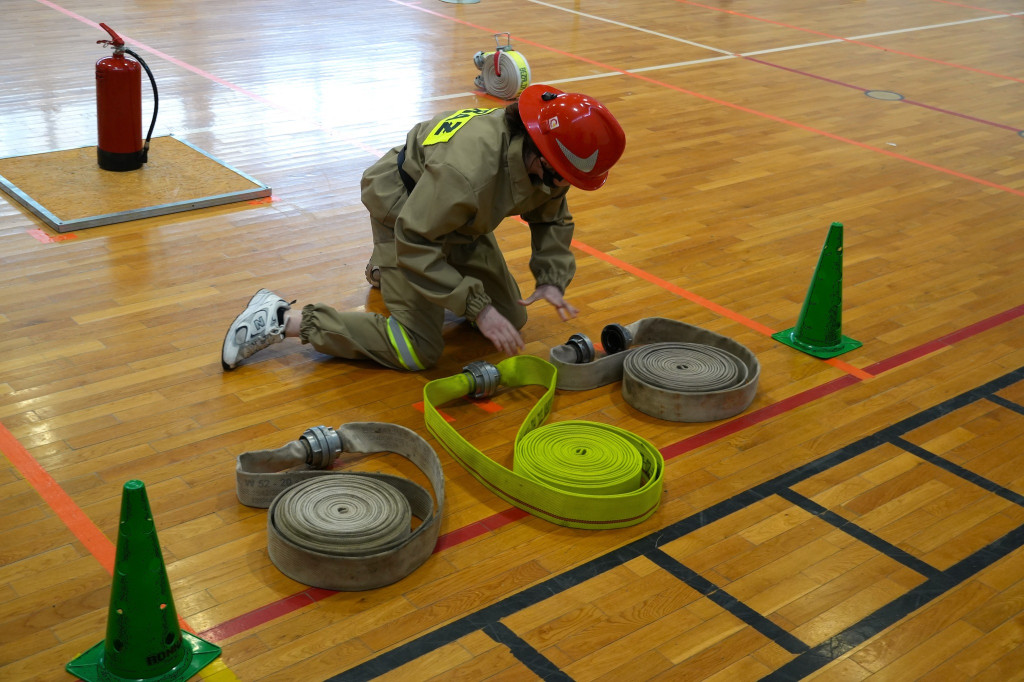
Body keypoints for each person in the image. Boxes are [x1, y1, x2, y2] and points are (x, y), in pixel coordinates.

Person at [221, 83, 626, 372]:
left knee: (510, 318)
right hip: (404, 211)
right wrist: (476, 308)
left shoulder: (540, 155)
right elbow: (415, 239)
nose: (565, 186)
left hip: (455, 216)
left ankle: (387, 270)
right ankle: (279, 319)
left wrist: (552, 277)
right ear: (542, 157)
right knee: (418, 349)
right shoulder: (469, 172)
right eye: (564, 177)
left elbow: (551, 215)